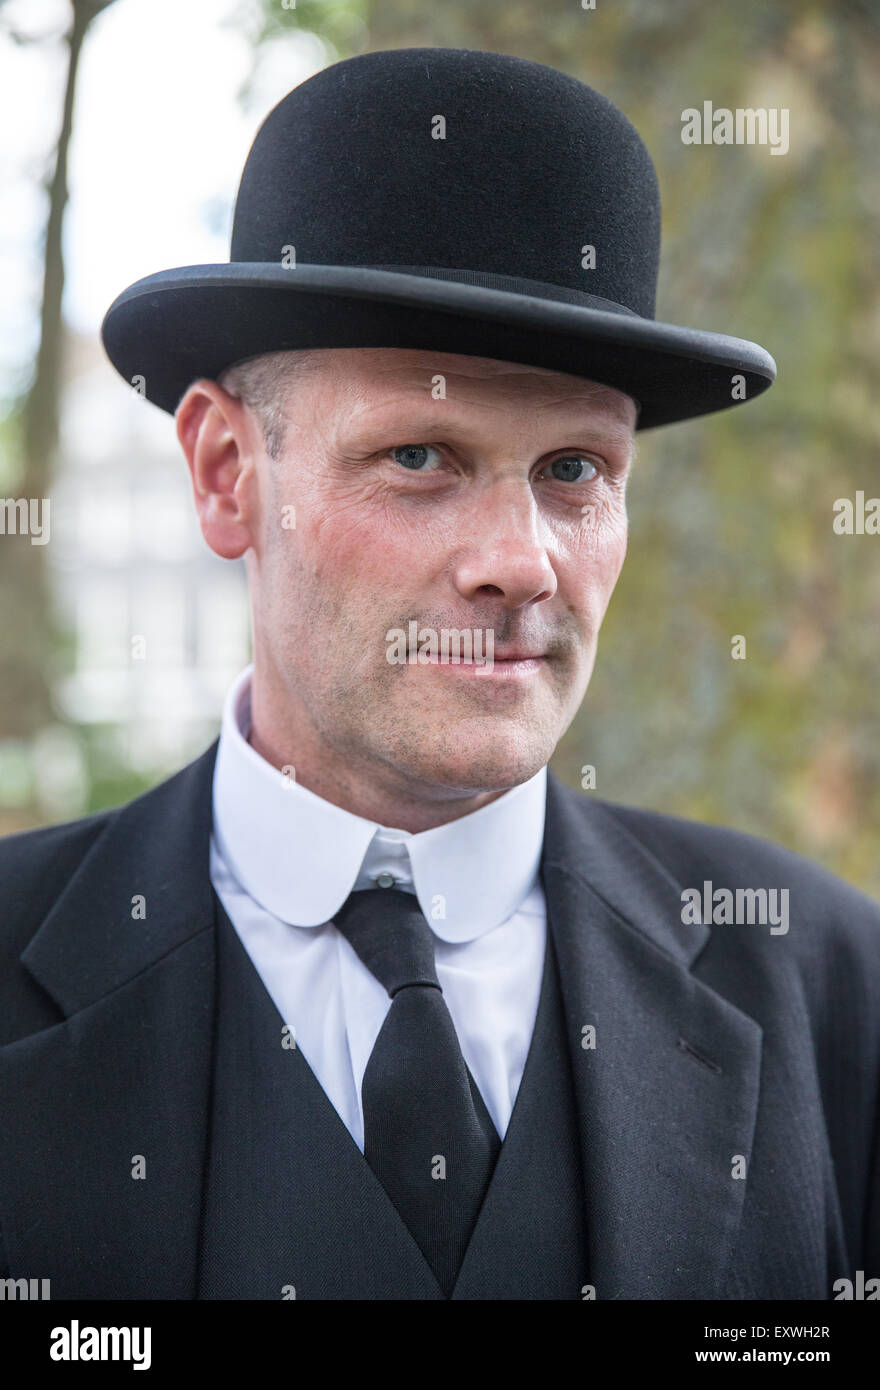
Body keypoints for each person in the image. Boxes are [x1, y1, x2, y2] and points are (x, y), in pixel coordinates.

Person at [0, 46, 877, 1302]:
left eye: (575, 470)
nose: (520, 563)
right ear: (225, 475)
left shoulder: (831, 986)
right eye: (420, 454)